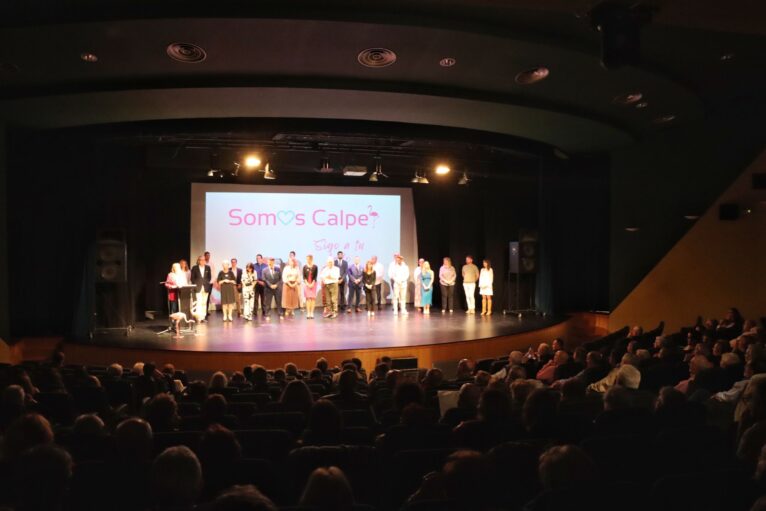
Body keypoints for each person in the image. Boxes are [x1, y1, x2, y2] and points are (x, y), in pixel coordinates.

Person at [190, 255, 212, 322]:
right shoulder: (195, 268)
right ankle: (198, 317)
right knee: (199, 302)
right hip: (198, 287)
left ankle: (203, 317)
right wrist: (196, 284)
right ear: (199, 261)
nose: (203, 261)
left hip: (206, 287)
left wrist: (206, 283)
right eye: (201, 260)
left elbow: (209, 277)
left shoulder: (208, 267)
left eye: (204, 260)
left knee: (204, 302)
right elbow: (192, 278)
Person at [303, 254, 319, 319]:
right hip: (307, 284)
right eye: (307, 259)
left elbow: (315, 277)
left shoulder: (315, 267)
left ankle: (312, 313)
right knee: (308, 298)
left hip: (313, 284)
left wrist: (312, 283)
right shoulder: (304, 267)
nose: (307, 260)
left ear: (311, 259)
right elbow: (304, 277)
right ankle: (308, 313)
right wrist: (307, 283)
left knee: (312, 298)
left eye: (308, 259)